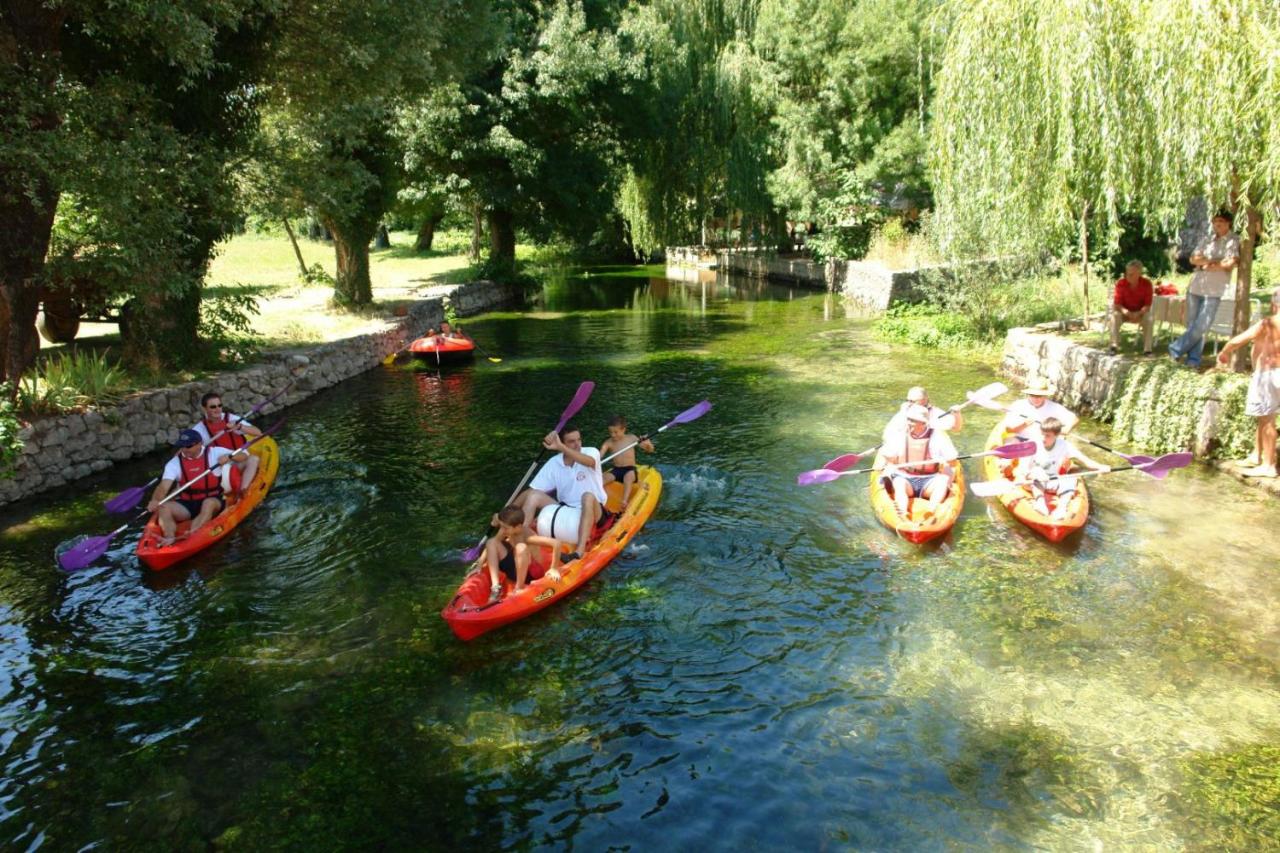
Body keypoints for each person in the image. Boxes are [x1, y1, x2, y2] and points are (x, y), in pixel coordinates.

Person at [512, 424, 608, 562]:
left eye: (579, 440)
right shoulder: (554, 463)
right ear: (562, 443)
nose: (577, 444)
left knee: (587, 496)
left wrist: (561, 447)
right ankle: (521, 539)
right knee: (533, 496)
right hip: (566, 509)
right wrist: (507, 513)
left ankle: (579, 552)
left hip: (595, 509)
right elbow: (531, 491)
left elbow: (589, 462)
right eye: (571, 441)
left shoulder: (591, 452)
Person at [1217, 286, 1280, 477]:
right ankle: (1256, 455)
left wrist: (1225, 352)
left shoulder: (1268, 323)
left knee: (1267, 418)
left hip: (1268, 374)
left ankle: (1268, 465)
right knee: (1263, 418)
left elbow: (1238, 341)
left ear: (1273, 303)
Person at [147, 429, 248, 546]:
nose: (185, 450)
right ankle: (169, 538)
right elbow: (163, 486)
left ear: (199, 444)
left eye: (188, 446)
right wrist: (155, 500)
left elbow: (244, 455)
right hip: (188, 502)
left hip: (214, 499)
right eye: (182, 446)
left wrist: (230, 457)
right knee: (164, 507)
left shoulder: (215, 453)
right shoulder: (174, 463)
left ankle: (192, 535)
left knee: (208, 503)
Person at [1170, 209, 1240, 369]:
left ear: (1228, 223)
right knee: (1193, 325)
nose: (1217, 225)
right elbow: (1193, 259)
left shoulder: (1233, 240)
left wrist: (1210, 263)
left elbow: (1230, 263)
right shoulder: (1207, 239)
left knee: (1202, 325)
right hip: (1196, 286)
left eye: (1220, 222)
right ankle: (1193, 361)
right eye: (1215, 222)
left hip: (1215, 289)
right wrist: (1213, 261)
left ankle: (1175, 348)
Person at [1020, 417, 1109, 519]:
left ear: (1057, 435)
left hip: (1053, 482)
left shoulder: (1065, 445)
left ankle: (1062, 508)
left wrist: (1101, 467)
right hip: (1032, 482)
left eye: (1048, 436)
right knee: (1038, 471)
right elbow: (1023, 469)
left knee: (1071, 477)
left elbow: (1086, 461)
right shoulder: (1032, 444)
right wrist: (1032, 474)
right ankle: (1040, 503)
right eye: (1042, 434)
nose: (1043, 438)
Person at [880, 404, 958, 518]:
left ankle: (931, 510)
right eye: (908, 419)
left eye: (912, 420)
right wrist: (888, 458)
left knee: (942, 483)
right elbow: (889, 457)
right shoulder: (898, 435)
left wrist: (943, 460)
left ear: (923, 423)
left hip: (930, 480)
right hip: (904, 477)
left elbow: (952, 461)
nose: (908, 422)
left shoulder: (937, 436)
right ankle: (902, 511)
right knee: (899, 485)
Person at [485, 505, 564, 602]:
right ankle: (496, 588)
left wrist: (554, 568)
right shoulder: (509, 530)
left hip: (530, 573)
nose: (502, 530)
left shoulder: (528, 537)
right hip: (516, 567)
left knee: (520, 547)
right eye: (501, 526)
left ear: (517, 527)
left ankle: (519, 587)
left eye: (505, 528)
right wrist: (479, 564)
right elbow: (492, 545)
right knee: (491, 542)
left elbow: (557, 543)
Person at [192, 392, 261, 495]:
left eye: (220, 405)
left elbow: (258, 433)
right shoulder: (199, 429)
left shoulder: (232, 419)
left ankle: (243, 490)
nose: (217, 409)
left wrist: (240, 427)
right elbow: (186, 451)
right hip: (220, 467)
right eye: (213, 407)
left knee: (254, 459)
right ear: (204, 409)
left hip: (239, 460)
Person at [600, 415, 655, 508]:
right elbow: (600, 454)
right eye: (610, 432)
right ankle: (597, 498)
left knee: (628, 477)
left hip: (630, 469)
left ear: (623, 429)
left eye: (615, 432)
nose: (613, 435)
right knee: (602, 478)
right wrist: (594, 459)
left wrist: (648, 443)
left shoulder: (631, 438)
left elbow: (650, 450)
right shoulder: (608, 442)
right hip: (616, 470)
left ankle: (624, 501)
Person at [881, 386, 963, 444]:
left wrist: (957, 415)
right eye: (908, 400)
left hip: (930, 449)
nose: (909, 403)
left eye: (913, 401)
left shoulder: (936, 413)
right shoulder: (904, 411)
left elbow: (956, 428)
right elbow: (887, 434)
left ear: (925, 400)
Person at [1110, 260, 1154, 355]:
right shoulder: (1121, 283)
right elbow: (1117, 304)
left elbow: (1148, 305)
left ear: (1139, 273)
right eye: (1127, 273)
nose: (1128, 276)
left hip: (1140, 313)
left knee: (1149, 318)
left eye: (1131, 274)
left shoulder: (1147, 284)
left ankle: (1147, 350)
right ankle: (1114, 346)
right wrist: (1127, 313)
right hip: (1124, 312)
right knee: (1114, 316)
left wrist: (1138, 313)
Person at [1001, 386, 1079, 438]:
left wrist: (1067, 428)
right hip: (1020, 439)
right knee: (1010, 441)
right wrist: (1024, 425)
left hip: (1043, 441)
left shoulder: (1054, 407)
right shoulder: (1018, 405)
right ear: (1028, 395)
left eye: (1039, 396)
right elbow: (1008, 430)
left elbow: (1074, 419)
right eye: (1032, 395)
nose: (1035, 399)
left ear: (1045, 396)